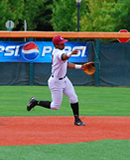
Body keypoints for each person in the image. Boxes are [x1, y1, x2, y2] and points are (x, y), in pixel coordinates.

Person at [27, 35, 85, 126]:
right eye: (61, 43)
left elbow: (66, 64)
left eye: (63, 43)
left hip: (65, 79)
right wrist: (70, 54)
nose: (63, 44)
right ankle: (35, 102)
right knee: (55, 106)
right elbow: (64, 57)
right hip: (56, 82)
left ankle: (77, 120)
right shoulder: (58, 53)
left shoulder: (61, 51)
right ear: (56, 45)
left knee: (74, 98)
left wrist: (81, 67)